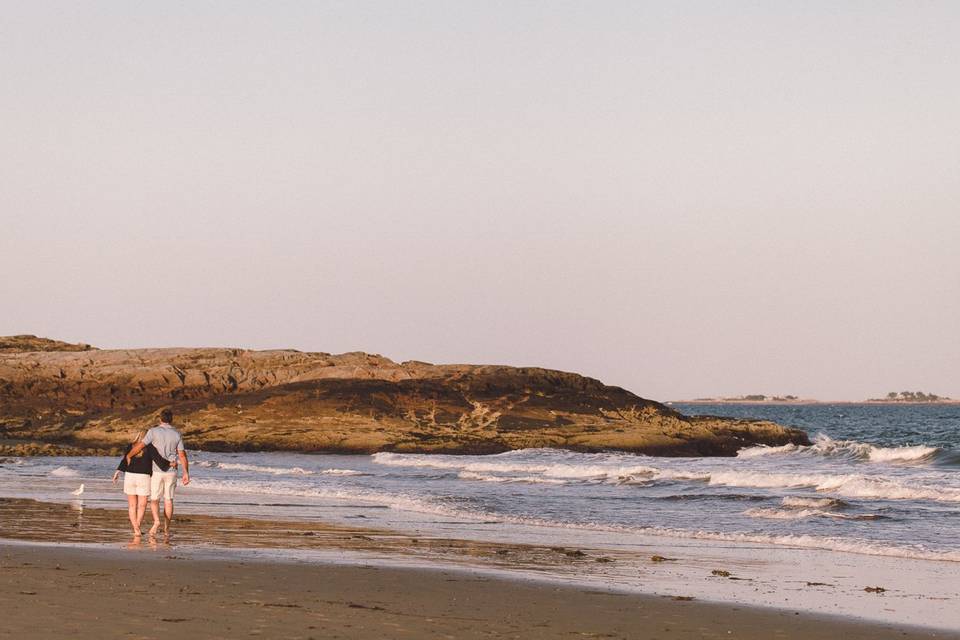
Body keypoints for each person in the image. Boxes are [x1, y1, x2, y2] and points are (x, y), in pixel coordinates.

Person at [126, 408, 190, 538]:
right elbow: (182, 455)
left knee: (154, 500)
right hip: (171, 472)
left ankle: (156, 522)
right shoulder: (177, 434)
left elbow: (141, 446)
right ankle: (166, 529)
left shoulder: (153, 431)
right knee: (169, 500)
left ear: (160, 419)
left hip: (157, 471)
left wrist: (129, 455)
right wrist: (186, 473)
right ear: (171, 420)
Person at [111, 430, 173, 536]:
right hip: (143, 477)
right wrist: (170, 464)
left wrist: (117, 472)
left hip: (130, 476)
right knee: (142, 505)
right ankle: (137, 526)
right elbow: (159, 460)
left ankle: (136, 529)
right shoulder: (150, 447)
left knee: (131, 505)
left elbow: (125, 460)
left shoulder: (131, 446)